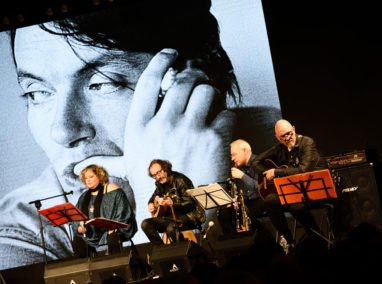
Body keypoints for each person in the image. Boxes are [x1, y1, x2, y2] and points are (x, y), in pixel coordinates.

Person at [0, 0, 242, 269]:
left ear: (179, 88)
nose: (61, 131)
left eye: (103, 83)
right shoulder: (16, 236)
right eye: (36, 93)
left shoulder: (259, 141)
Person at [251, 119, 328, 240]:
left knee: (296, 206)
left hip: (315, 191)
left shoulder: (307, 143)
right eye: (283, 136)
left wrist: (276, 172)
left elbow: (303, 170)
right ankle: (288, 240)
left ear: (293, 129)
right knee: (270, 201)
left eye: (289, 133)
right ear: (277, 137)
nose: (287, 138)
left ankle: (316, 236)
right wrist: (266, 174)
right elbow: (255, 162)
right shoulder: (280, 148)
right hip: (294, 193)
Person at [217, 139, 295, 246]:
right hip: (252, 202)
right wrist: (237, 200)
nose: (232, 158)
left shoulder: (260, 163)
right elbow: (248, 193)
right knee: (224, 212)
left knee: (246, 210)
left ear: (244, 150)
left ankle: (269, 241)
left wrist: (242, 177)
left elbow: (261, 188)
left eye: (234, 155)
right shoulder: (242, 168)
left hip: (265, 199)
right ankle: (235, 244)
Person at [71, 165, 136, 257]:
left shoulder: (113, 190)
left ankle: (115, 269)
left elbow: (124, 212)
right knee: (78, 240)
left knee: (113, 236)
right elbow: (77, 217)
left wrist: (114, 226)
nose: (88, 180)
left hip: (114, 229)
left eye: (91, 177)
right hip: (91, 233)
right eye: (86, 178)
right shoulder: (84, 197)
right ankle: (87, 270)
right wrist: (79, 228)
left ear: (100, 176)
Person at [141, 159, 205, 245]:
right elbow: (154, 197)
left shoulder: (180, 180)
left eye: (159, 172)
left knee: (171, 228)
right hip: (171, 218)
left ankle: (183, 249)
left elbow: (190, 203)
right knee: (145, 224)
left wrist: (173, 204)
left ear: (165, 168)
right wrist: (151, 204)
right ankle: (161, 250)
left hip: (189, 215)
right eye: (154, 175)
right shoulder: (160, 184)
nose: (158, 177)